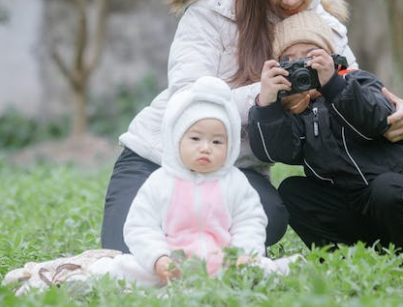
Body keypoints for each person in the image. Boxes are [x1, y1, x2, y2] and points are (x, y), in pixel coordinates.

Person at [101, 0, 403, 253]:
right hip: (159, 159)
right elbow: (187, 100)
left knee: (269, 219)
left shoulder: (325, 27)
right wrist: (266, 97)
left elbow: (359, 95)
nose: (291, 0)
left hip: (236, 171)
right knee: (123, 254)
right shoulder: (210, 10)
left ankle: (193, 247)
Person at [3, 76, 300, 295]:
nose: (206, 148)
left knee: (264, 269)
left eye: (217, 141)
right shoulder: (162, 181)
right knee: (122, 269)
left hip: (222, 260)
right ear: (177, 140)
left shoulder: (235, 183)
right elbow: (141, 226)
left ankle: (295, 269)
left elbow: (250, 221)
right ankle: (63, 279)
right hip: (170, 260)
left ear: (232, 143)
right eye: (195, 139)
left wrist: (242, 254)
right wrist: (159, 258)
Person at [248, 10, 403, 258]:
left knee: (387, 189)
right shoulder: (298, 110)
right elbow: (276, 151)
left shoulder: (358, 81)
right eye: (289, 60)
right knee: (292, 190)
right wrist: (267, 106)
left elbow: (374, 120)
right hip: (352, 208)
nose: (302, 66)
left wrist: (333, 85)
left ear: (331, 57)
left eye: (310, 56)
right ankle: (342, 261)